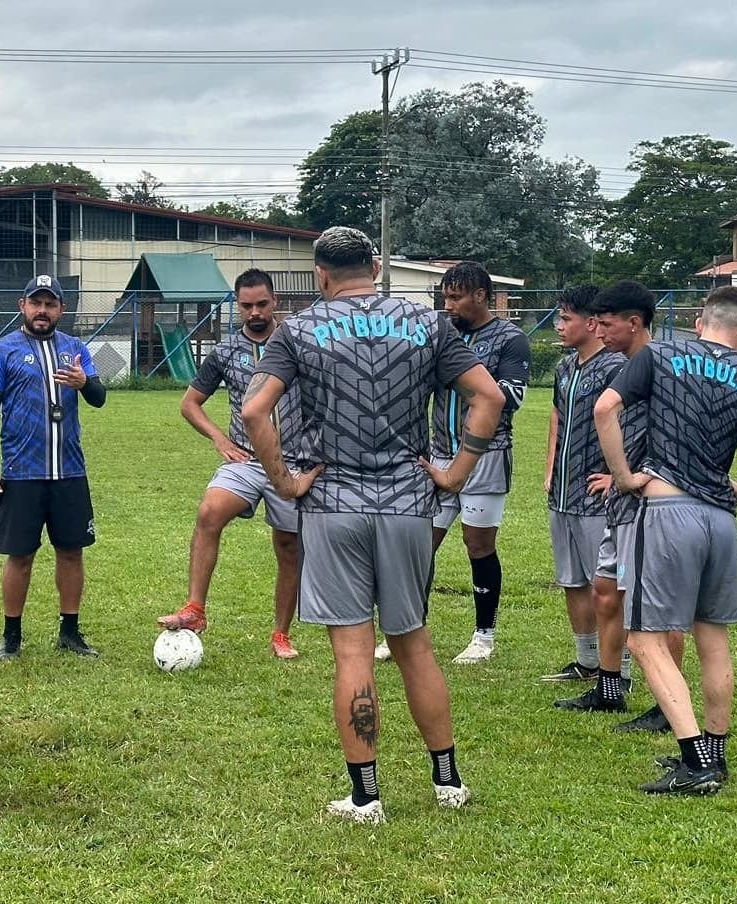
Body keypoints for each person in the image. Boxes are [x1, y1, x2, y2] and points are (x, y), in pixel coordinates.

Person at [242, 226, 505, 824]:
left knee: (353, 653)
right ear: (377, 266)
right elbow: (488, 397)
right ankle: (447, 781)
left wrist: (284, 481)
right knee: (414, 643)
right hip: (409, 504)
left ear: (320, 275)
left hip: (333, 505)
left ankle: (366, 798)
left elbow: (255, 410)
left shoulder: (299, 330)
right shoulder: (428, 324)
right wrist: (456, 473)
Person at [596, 285, 737, 794]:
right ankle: (715, 748)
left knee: (644, 639)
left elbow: (606, 409)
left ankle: (696, 762)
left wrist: (623, 476)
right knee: (712, 637)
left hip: (667, 511)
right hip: (720, 519)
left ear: (698, 320)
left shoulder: (661, 353)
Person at [155, 269, 304, 659]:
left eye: (262, 304)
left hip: (293, 462)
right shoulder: (225, 351)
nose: (254, 312)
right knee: (209, 512)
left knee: (288, 545)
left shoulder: (299, 343)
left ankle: (281, 634)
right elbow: (189, 404)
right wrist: (220, 438)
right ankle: (195, 609)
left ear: (276, 302)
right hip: (246, 458)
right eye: (246, 305)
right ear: (237, 306)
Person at [554, 281, 682, 726]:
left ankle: (670, 706)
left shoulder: (664, 365)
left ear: (634, 323)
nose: (601, 331)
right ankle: (610, 689)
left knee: (661, 607)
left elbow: (677, 432)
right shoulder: (624, 365)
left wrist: (625, 474)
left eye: (607, 324)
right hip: (621, 506)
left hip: (654, 504)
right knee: (606, 593)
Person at [0, 275, 106, 660]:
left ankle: (69, 631)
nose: (43, 311)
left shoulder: (76, 349)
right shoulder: (2, 351)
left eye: (51, 304)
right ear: (23, 306)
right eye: (36, 303)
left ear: (61, 310)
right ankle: (11, 636)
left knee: (71, 552)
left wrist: (85, 382)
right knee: (20, 556)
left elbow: (99, 398)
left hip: (69, 472)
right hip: (21, 473)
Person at [411, 261, 530, 666]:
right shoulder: (442, 335)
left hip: (486, 456)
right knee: (420, 543)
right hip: (438, 455)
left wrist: (466, 373)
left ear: (480, 295)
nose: (449, 305)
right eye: (445, 296)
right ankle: (408, 630)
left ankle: (484, 637)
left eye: (456, 296)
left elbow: (510, 399)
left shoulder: (509, 339)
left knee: (477, 545)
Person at [543, 285, 624, 684]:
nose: (559, 326)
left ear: (591, 323)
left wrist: (617, 476)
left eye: (565, 318)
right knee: (572, 579)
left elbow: (640, 424)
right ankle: (587, 661)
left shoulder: (617, 367)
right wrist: (549, 470)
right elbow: (557, 419)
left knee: (606, 585)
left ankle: (619, 669)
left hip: (599, 499)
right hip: (563, 492)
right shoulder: (565, 368)